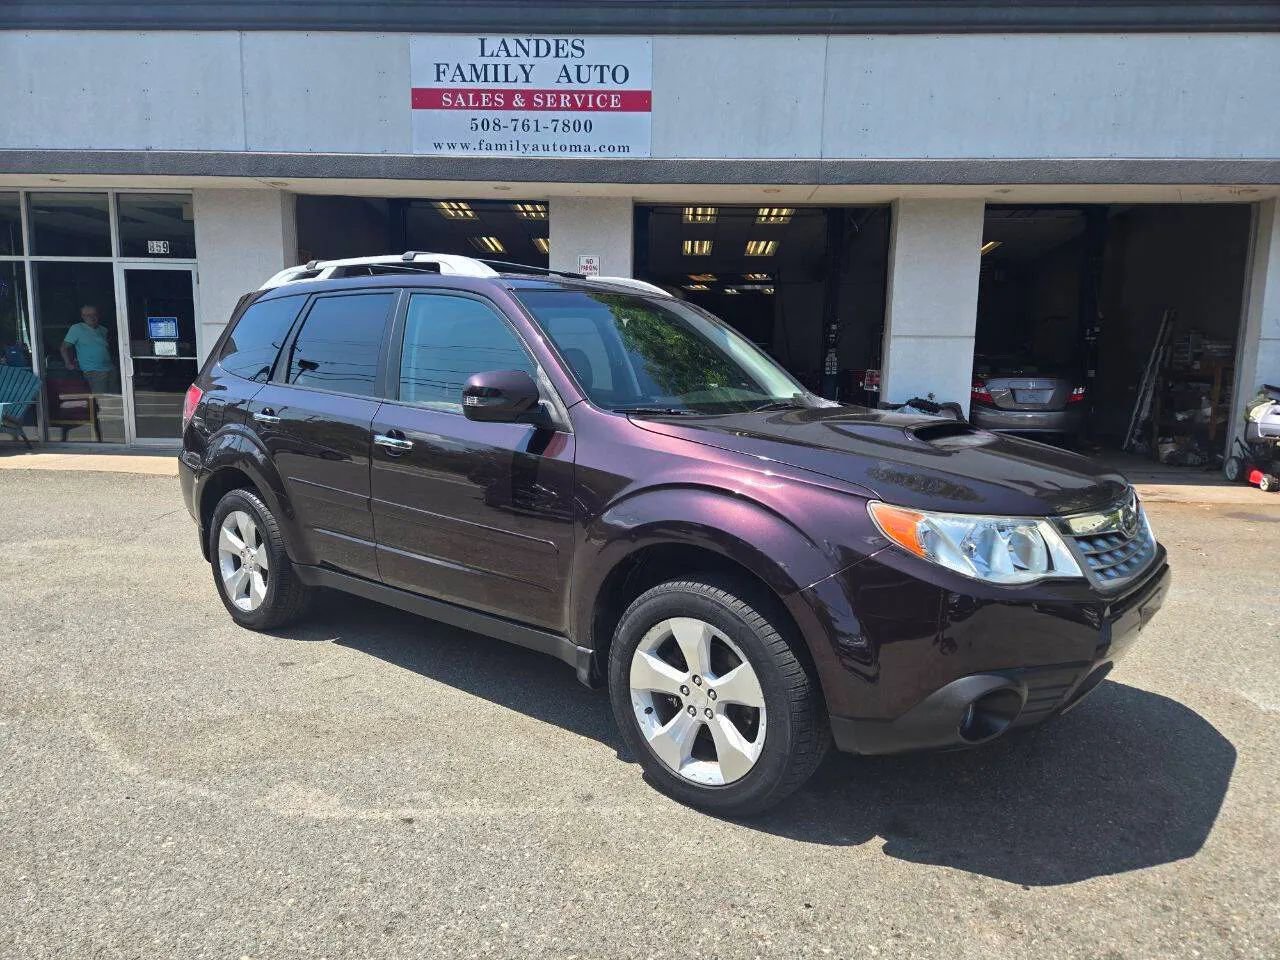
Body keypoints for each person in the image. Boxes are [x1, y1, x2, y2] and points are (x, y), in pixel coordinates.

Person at [60, 304, 115, 394]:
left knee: (116, 399)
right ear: (83, 317)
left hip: (110, 369)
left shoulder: (103, 330)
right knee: (102, 401)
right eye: (88, 315)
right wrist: (68, 363)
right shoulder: (77, 328)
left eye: (94, 314)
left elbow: (106, 349)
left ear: (98, 315)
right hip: (94, 371)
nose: (92, 317)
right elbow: (64, 347)